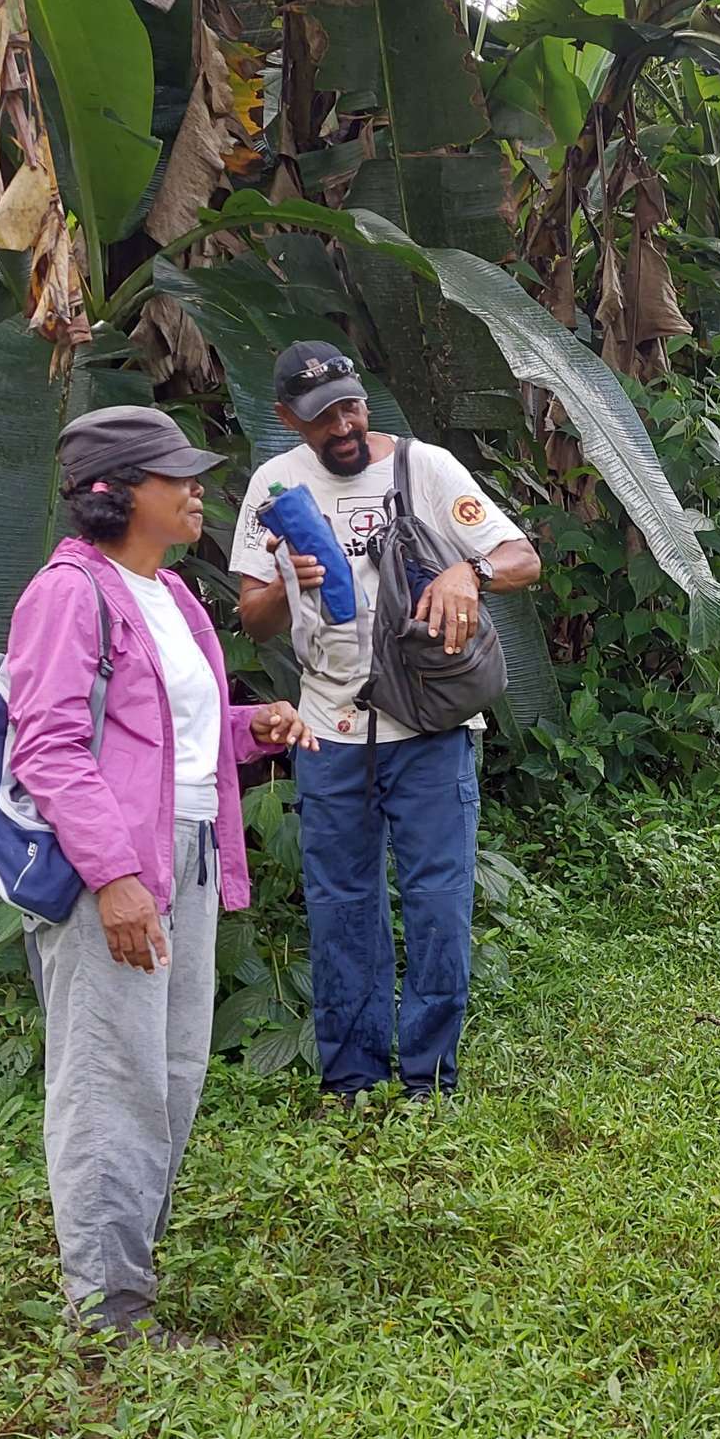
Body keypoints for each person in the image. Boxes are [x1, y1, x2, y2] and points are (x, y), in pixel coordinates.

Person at [6, 406, 315, 1348]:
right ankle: (110, 1319)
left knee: (173, 1072)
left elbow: (166, 737)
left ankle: (123, 1282)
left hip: (189, 853)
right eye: (173, 475)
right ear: (117, 493)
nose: (196, 489)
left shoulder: (171, 593)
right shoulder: (67, 594)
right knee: (112, 1081)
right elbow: (49, 747)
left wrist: (252, 726)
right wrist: (114, 878)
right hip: (118, 870)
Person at [231, 344, 541, 1101]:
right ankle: (352, 1081)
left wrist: (470, 571)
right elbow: (253, 618)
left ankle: (429, 1081)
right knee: (340, 906)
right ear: (288, 420)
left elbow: (523, 557)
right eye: (321, 417)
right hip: (327, 729)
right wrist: (286, 582)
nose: (342, 426)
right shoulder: (274, 486)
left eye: (350, 407)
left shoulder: (423, 467)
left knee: (438, 905)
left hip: (430, 729)